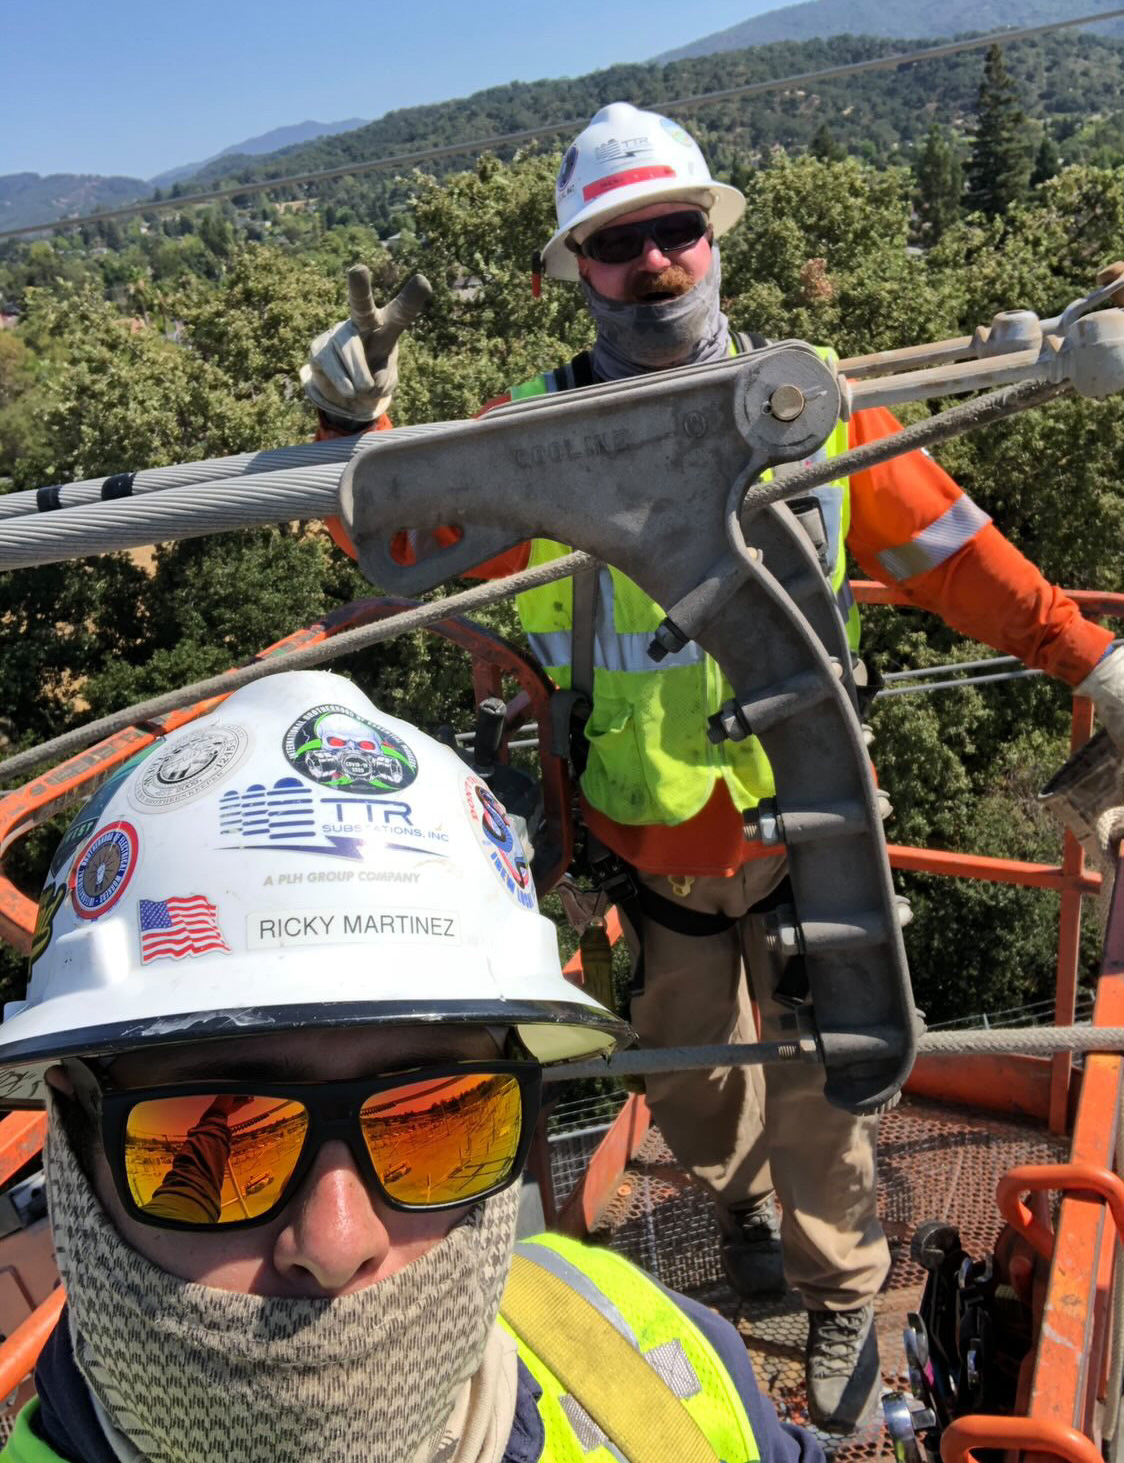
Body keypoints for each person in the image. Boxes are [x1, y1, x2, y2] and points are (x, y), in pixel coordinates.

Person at [302, 116, 1124, 1430]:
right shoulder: (535, 446)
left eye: (675, 231)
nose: (656, 263)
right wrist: (355, 416)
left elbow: (954, 551)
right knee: (687, 1079)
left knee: (828, 1080)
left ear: (713, 244)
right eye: (620, 244)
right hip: (652, 845)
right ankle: (738, 1209)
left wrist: (1085, 654)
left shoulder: (811, 417)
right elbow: (402, 536)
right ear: (582, 268)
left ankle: (842, 1287)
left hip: (808, 833)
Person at [0, 669, 827, 1463]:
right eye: (214, 1147)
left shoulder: (647, 1346)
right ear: (73, 1141)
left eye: (444, 1120)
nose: (336, 1243)